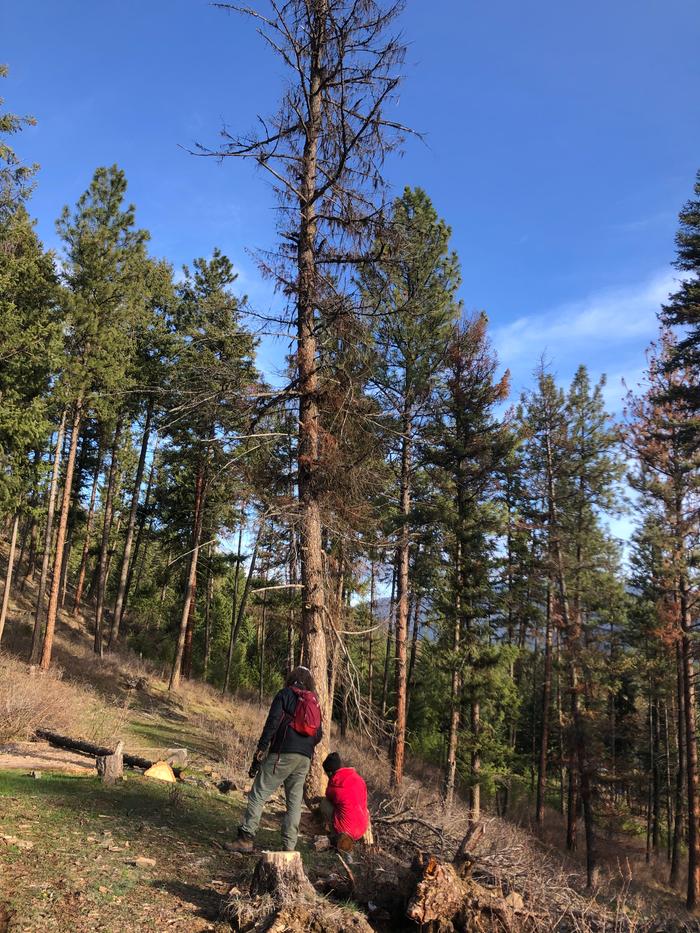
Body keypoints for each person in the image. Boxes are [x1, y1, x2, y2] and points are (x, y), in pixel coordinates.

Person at [226, 665, 322, 853]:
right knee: (294, 803)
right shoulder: (313, 701)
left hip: (283, 753)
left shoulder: (285, 694)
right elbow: (319, 734)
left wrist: (262, 748)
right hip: (304, 758)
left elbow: (272, 723)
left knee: (258, 793)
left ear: (292, 677)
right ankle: (289, 848)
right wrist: (305, 745)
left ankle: (245, 839)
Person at [320, 752, 370, 852]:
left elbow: (329, 797)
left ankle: (334, 835)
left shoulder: (334, 786)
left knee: (324, 803)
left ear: (330, 772)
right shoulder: (359, 779)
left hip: (344, 831)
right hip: (362, 828)